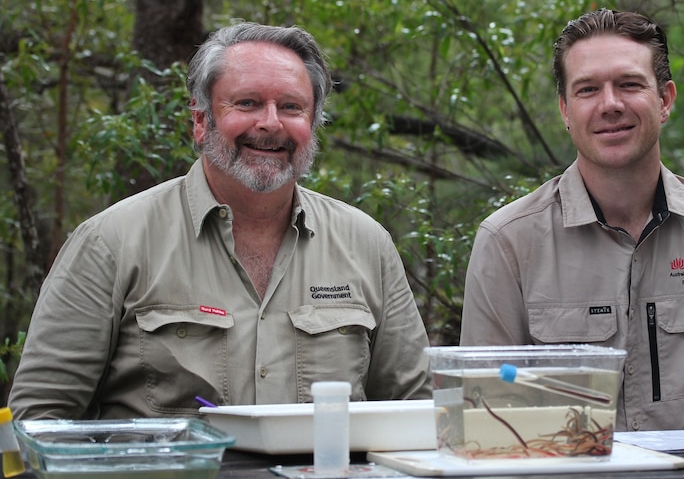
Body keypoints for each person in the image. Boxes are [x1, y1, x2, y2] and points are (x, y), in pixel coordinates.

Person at [9, 22, 431, 420]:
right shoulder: (111, 242)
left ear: (312, 125)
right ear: (200, 120)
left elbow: (417, 413)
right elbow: (41, 420)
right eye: (247, 103)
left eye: (291, 107)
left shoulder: (366, 244)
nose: (270, 122)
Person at [460, 9, 684, 432]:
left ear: (665, 100)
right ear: (565, 110)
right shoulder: (508, 242)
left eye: (629, 84)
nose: (610, 104)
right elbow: (488, 409)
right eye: (587, 90)